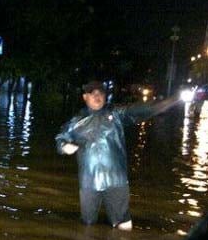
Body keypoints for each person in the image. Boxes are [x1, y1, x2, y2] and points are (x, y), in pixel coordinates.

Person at [55, 80, 180, 231]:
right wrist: (63, 146)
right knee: (87, 225)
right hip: (89, 182)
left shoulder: (116, 113)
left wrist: (168, 102)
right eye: (92, 93)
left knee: (124, 224)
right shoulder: (76, 121)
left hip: (116, 180)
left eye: (100, 93)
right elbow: (61, 137)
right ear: (85, 97)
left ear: (105, 97)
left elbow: (140, 110)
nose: (97, 96)